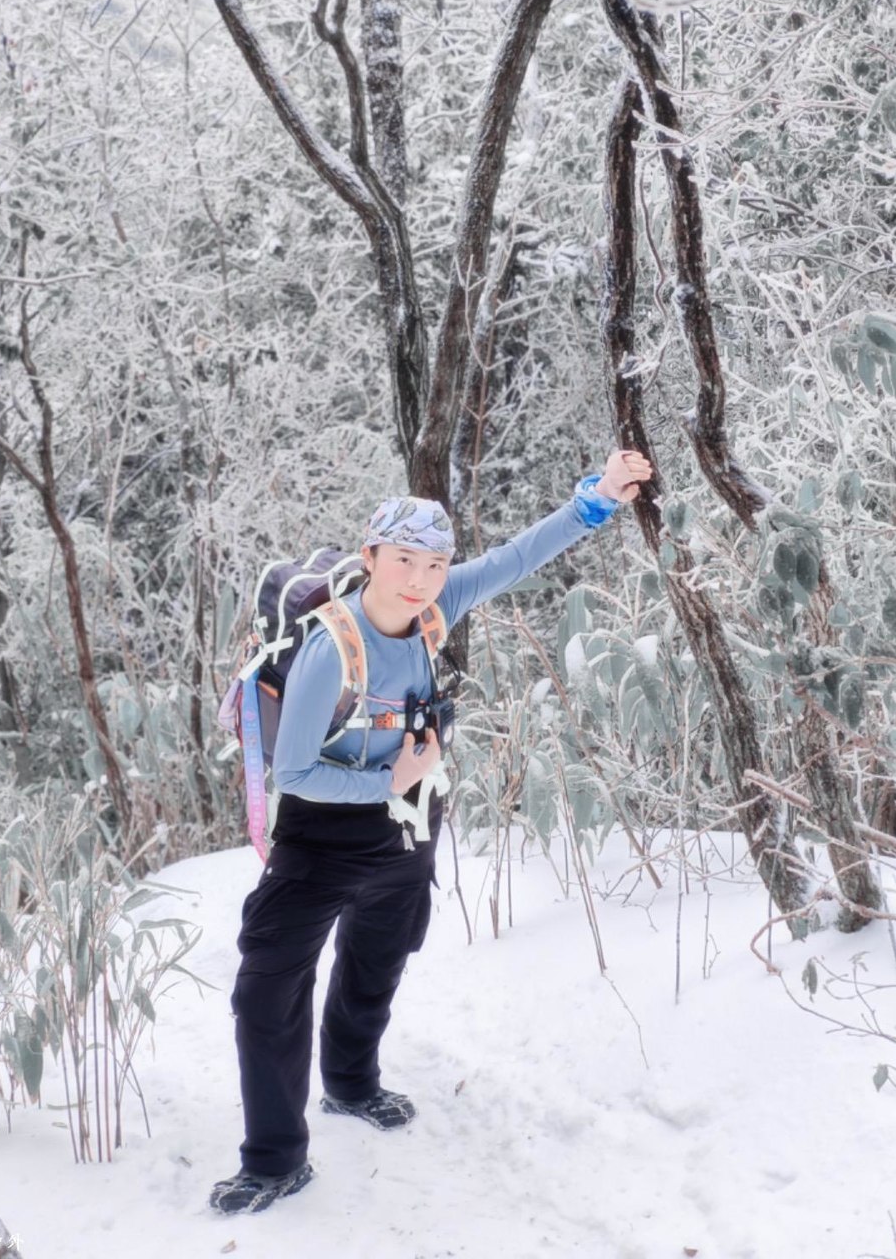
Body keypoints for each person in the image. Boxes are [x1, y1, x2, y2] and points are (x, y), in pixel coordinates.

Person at [209, 449, 653, 1215]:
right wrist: (389, 781)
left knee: (378, 958)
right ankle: (275, 1160)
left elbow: (519, 557)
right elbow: (296, 773)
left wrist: (601, 497)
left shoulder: (436, 607)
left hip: (409, 827)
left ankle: (351, 1084)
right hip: (322, 836)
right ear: (372, 556)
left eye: (436, 564)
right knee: (269, 987)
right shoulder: (332, 647)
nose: (419, 579)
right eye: (404, 560)